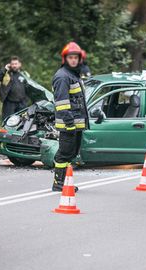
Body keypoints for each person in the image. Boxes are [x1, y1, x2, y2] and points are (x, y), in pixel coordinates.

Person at [51, 42, 89, 191]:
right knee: (64, 154)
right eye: (70, 57)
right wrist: (69, 123)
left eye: (75, 57)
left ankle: (65, 182)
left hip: (76, 124)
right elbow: (62, 104)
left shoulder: (73, 75)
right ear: (65, 59)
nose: (73, 60)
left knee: (71, 154)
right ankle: (58, 183)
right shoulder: (62, 77)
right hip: (69, 124)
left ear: (80, 59)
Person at [0, 56, 29, 120]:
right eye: (12, 64)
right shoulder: (6, 73)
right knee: (7, 122)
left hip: (22, 103)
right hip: (9, 103)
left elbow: (29, 87)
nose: (14, 66)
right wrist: (5, 69)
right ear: (10, 64)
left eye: (16, 64)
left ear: (20, 64)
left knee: (23, 122)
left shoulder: (24, 74)